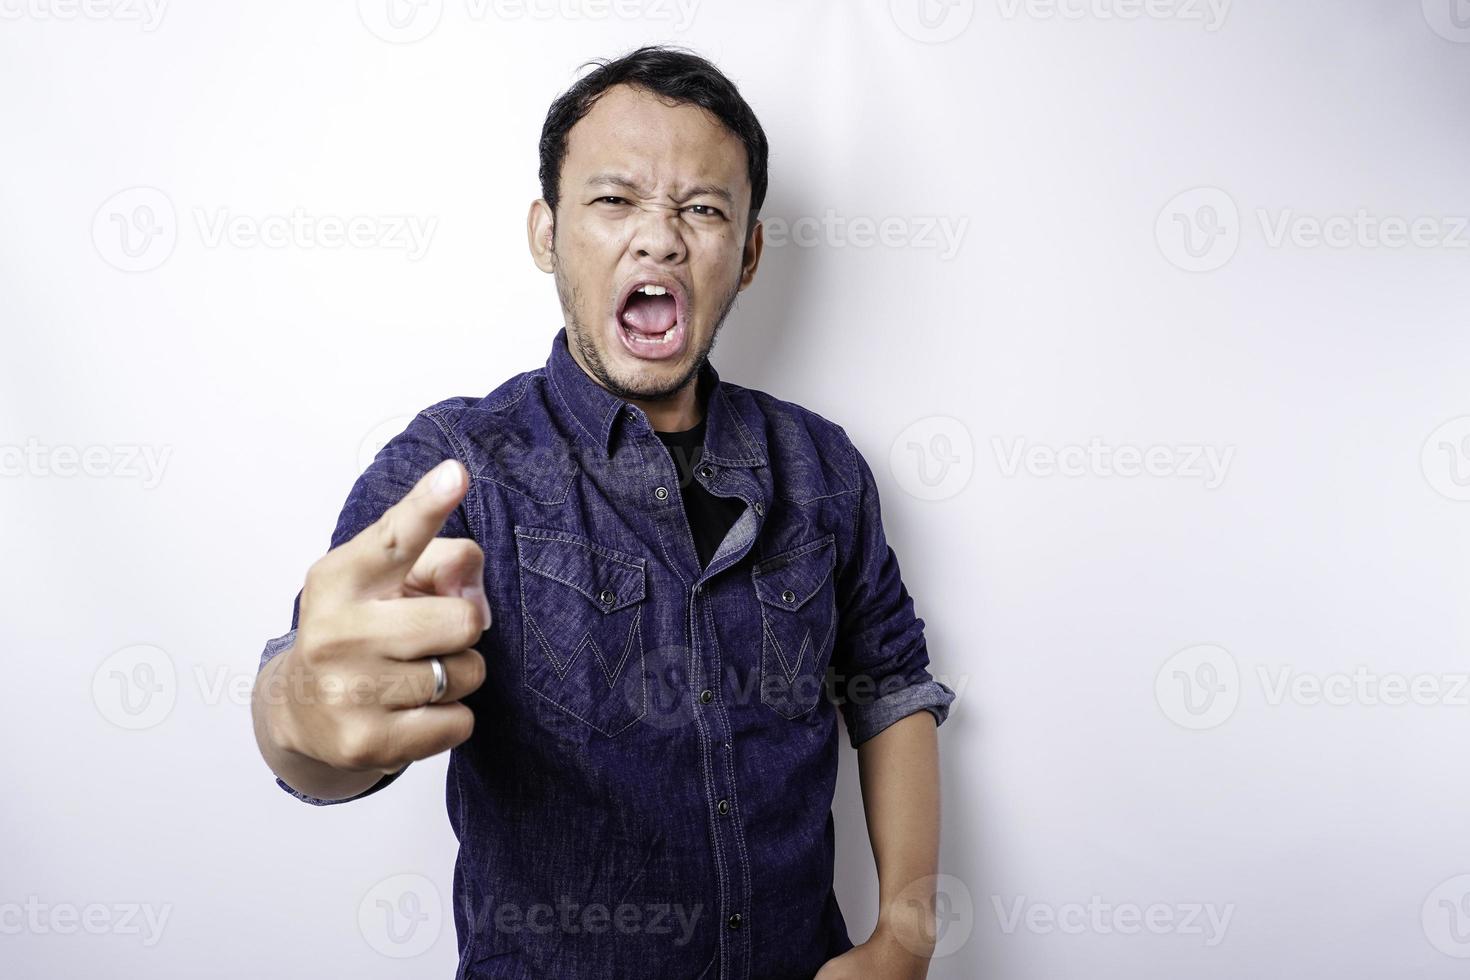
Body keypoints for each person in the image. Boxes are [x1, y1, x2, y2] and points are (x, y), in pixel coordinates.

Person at [250, 45, 955, 980]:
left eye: (702, 209)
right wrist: (302, 712)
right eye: (614, 200)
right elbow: (317, 699)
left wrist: (903, 937)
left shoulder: (824, 468)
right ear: (546, 233)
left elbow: (891, 687)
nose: (659, 238)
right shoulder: (457, 470)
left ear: (745, 254)